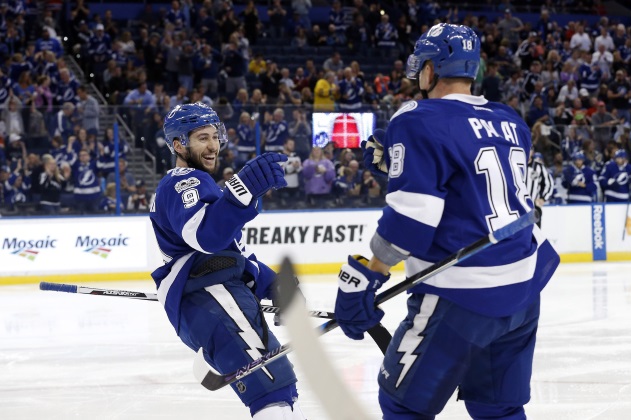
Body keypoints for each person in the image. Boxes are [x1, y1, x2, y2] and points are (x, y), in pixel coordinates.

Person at [333, 24, 560, 420]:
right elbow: (474, 189)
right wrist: (404, 163)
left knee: (402, 405)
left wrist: (370, 276)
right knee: (499, 408)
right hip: (525, 286)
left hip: (463, 293)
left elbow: (410, 220)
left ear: (432, 69)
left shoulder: (417, 119)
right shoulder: (510, 120)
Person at [149, 103, 304, 419]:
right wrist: (241, 192)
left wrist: (271, 283)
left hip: (221, 301)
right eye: (202, 138)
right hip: (215, 302)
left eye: (215, 136)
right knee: (271, 389)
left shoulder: (202, 187)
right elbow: (206, 238)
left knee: (282, 389)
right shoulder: (183, 182)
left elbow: (229, 255)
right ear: (179, 144)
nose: (212, 145)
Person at [527, 152, 554, 227]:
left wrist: (543, 198)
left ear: (532, 152)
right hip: (517, 206)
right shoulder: (515, 164)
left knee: (535, 234)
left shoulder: (539, 166)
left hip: (533, 206)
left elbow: (549, 184)